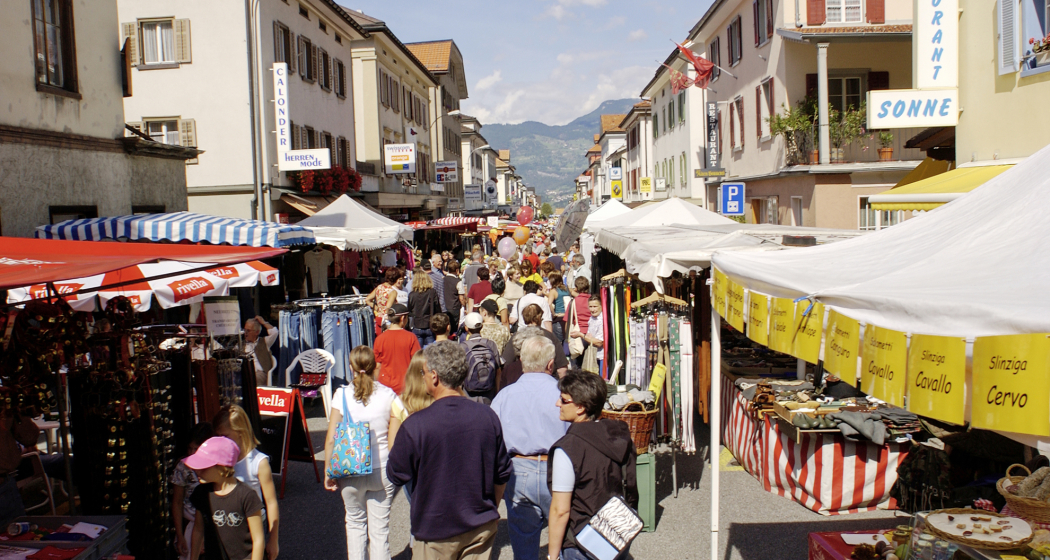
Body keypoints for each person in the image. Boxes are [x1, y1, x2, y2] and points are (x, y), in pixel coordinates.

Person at [386, 341, 512, 559]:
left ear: (434, 376)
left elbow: (396, 473)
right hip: (480, 525)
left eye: (424, 372)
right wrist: (490, 507)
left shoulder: (416, 425)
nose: (423, 377)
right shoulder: (487, 416)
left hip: (435, 533)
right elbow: (502, 474)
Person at [492, 337, 569, 560]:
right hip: (557, 470)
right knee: (563, 538)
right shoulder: (563, 396)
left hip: (518, 470)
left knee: (524, 545)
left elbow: (494, 441)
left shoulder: (504, 396)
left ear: (522, 361)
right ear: (550, 364)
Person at [547, 372, 638, 560]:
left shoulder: (568, 449)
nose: (558, 404)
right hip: (617, 535)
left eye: (564, 400)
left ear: (580, 407)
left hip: (583, 543)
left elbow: (560, 511)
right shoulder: (620, 435)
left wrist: (552, 556)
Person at [323, 346, 403, 560]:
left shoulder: (341, 395)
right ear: (374, 366)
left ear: (351, 368)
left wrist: (328, 471)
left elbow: (331, 438)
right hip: (382, 468)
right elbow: (396, 434)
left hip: (350, 468)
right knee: (380, 531)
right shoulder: (389, 396)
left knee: (355, 524)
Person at [212, 405, 279, 560]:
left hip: (251, 524)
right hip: (226, 522)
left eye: (225, 436)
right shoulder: (220, 461)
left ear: (240, 431)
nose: (221, 442)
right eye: (218, 437)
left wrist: (273, 539)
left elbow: (271, 502)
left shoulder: (258, 462)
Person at [188, 436, 266, 560]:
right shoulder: (202, 493)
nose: (197, 470)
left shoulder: (246, 495)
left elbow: (258, 539)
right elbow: (198, 529)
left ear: (222, 468)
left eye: (204, 467)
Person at [173, 423, 214, 560]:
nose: (191, 453)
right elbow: (177, 502)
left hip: (211, 525)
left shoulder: (215, 468)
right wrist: (179, 535)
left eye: (195, 449)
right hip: (190, 524)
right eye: (189, 448)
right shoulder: (183, 467)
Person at [501, 306, 569, 386]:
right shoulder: (549, 336)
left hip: (521, 379)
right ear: (539, 317)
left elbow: (506, 362)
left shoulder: (517, 336)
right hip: (546, 380)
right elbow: (562, 368)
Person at [373, 304, 421, 395]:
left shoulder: (379, 339)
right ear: (403, 318)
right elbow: (417, 363)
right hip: (406, 386)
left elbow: (377, 366)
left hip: (385, 386)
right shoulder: (411, 337)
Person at [460, 312, 501, 403]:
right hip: (489, 393)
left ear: (466, 328)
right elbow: (498, 371)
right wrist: (497, 392)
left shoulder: (462, 347)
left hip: (468, 394)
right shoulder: (491, 344)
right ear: (481, 327)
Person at [407, 266, 440, 348]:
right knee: (431, 352)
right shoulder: (432, 292)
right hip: (429, 324)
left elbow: (409, 310)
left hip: (417, 324)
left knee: (418, 352)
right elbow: (437, 308)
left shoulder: (412, 294)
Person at [244, 316, 277, 387]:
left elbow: (275, 332)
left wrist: (263, 322)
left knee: (251, 378)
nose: (245, 333)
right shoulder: (241, 345)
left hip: (260, 373)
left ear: (257, 332)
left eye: (248, 331)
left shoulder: (264, 342)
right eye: (245, 330)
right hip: (245, 372)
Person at [366, 268, 402, 335]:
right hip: (387, 321)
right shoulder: (392, 291)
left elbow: (367, 300)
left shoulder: (379, 287)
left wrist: (378, 308)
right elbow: (388, 307)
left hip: (378, 318)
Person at [570, 278, 592, 366]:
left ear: (576, 288)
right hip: (592, 334)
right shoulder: (594, 300)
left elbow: (568, 320)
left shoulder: (574, 302)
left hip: (578, 335)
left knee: (577, 364)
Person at [547, 272, 571, 344]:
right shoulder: (567, 289)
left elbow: (549, 304)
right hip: (567, 317)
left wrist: (553, 314)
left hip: (558, 318)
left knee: (558, 343)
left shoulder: (553, 291)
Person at [442, 260, 463, 331]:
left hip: (444, 306)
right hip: (454, 307)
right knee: (453, 328)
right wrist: (464, 305)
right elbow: (461, 298)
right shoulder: (458, 281)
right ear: (457, 270)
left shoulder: (443, 279)